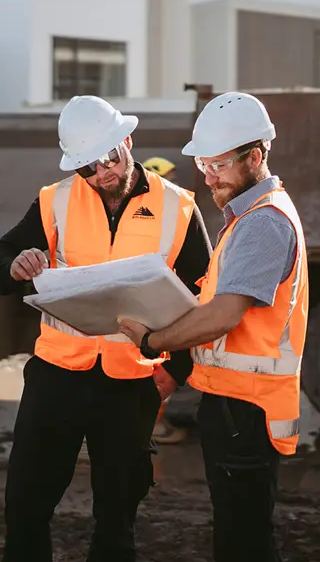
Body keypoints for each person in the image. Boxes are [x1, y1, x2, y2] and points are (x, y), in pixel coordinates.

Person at [0, 95, 212, 562]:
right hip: (56, 377)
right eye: (88, 167)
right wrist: (17, 265)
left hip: (131, 385)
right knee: (25, 507)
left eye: (109, 158)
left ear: (127, 141)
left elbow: (203, 298)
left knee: (116, 520)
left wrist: (175, 372)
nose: (102, 173)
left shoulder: (179, 207)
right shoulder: (55, 200)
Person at [118, 92, 304, 562]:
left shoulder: (263, 222)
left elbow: (223, 314)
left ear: (255, 157)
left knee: (243, 542)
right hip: (238, 405)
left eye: (218, 163)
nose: (207, 174)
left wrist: (152, 341)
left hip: (246, 410)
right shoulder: (248, 218)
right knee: (243, 535)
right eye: (203, 163)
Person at [139, 156, 190, 446]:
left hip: (159, 302)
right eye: (166, 178)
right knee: (152, 367)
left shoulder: (166, 212)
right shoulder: (153, 216)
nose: (173, 184)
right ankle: (151, 426)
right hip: (151, 305)